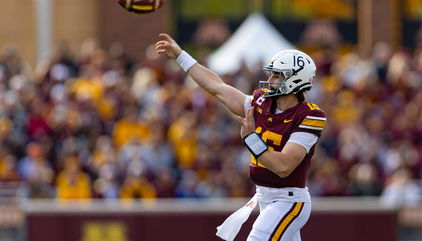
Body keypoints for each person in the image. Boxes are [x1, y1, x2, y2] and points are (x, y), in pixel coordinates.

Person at [155, 33, 326, 241]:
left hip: (289, 201)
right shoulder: (261, 103)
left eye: (278, 76)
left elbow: (284, 167)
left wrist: (252, 139)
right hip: (265, 198)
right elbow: (217, 87)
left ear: (295, 79)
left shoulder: (309, 115)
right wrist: (181, 56)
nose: (270, 80)